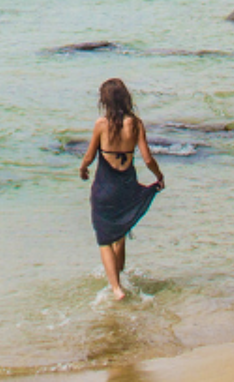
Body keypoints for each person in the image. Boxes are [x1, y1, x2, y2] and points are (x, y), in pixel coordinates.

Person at [76, 77, 165, 301]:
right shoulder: (135, 123)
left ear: (104, 101)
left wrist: (83, 169)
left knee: (105, 239)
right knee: (121, 231)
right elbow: (147, 158)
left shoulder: (101, 125)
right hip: (127, 187)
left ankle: (116, 289)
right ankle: (120, 276)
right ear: (126, 98)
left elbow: (89, 156)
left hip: (105, 188)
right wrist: (159, 177)